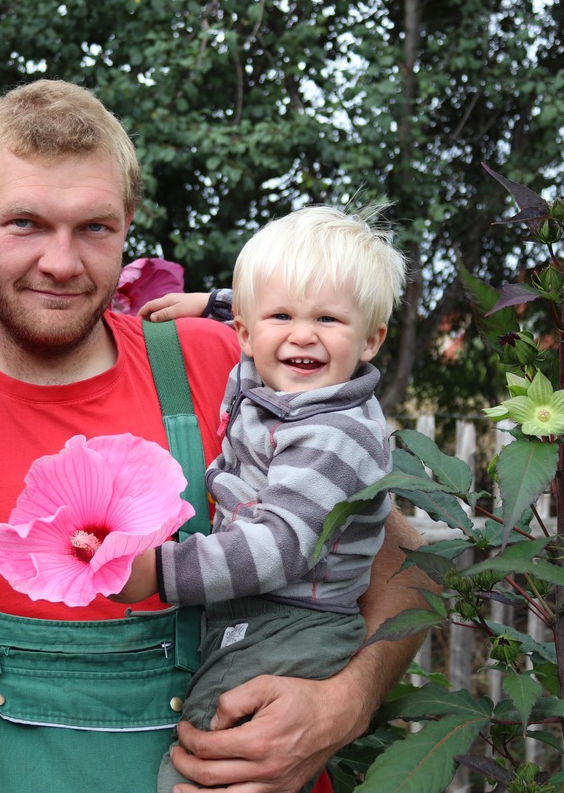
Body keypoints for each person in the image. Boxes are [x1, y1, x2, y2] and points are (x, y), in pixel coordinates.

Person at [0, 79, 431, 793]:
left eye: (93, 228)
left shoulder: (225, 366)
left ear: (128, 222)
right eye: (25, 223)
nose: (61, 263)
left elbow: (404, 556)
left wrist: (348, 701)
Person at [112, 204, 406, 793]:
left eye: (328, 319)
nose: (302, 334)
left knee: (213, 746)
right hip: (267, 610)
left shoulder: (332, 435)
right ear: (245, 331)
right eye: (280, 317)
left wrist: (161, 572)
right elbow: (270, 304)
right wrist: (212, 303)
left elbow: (278, 547)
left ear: (371, 340)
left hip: (293, 620)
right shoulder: (273, 374)